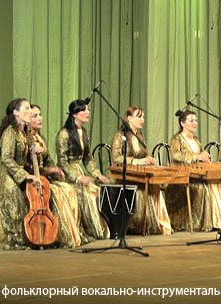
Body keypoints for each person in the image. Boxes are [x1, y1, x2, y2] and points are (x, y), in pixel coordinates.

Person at [110, 106, 171, 235]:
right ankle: (138, 225)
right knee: (143, 189)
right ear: (129, 118)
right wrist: (135, 161)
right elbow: (116, 158)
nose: (142, 120)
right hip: (126, 177)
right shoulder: (120, 136)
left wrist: (148, 158)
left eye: (143, 117)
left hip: (140, 174)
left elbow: (145, 153)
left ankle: (157, 223)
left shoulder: (139, 136)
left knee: (154, 186)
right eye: (139, 117)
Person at [56, 99, 109, 242]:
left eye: (88, 109)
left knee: (98, 191)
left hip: (80, 170)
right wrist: (78, 178)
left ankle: (98, 229)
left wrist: (98, 174)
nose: (87, 112)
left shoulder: (84, 132)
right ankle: (82, 230)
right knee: (87, 195)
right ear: (74, 114)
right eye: (84, 110)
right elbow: (62, 162)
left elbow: (88, 158)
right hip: (69, 174)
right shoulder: (64, 133)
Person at [29, 104, 81, 247]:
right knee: (59, 191)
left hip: (44, 176)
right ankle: (59, 234)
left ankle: (72, 232)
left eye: (40, 115)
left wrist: (56, 170)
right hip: (34, 179)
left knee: (68, 189)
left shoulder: (41, 138)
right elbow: (30, 167)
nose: (39, 118)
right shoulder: (27, 139)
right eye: (35, 116)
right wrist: (48, 171)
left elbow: (48, 160)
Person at [167, 110, 221, 231]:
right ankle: (199, 224)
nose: (195, 123)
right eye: (191, 121)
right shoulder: (177, 139)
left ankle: (216, 222)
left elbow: (201, 152)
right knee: (202, 188)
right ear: (182, 123)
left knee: (216, 183)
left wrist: (204, 155)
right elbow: (175, 155)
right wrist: (196, 156)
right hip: (182, 176)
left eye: (196, 120)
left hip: (196, 174)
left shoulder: (195, 139)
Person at [0, 98, 37, 249]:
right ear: (16, 113)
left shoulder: (24, 133)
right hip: (10, 179)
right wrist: (25, 175)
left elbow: (25, 161)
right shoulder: (10, 132)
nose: (30, 111)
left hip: (20, 177)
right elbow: (6, 159)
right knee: (17, 202)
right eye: (26, 108)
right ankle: (14, 239)